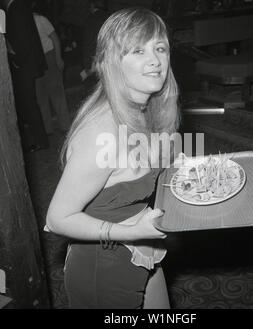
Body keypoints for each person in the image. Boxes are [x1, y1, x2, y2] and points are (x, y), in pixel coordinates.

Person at [46, 7, 180, 309]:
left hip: (141, 249)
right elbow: (57, 218)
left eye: (160, 48)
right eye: (137, 50)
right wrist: (131, 232)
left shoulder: (146, 111)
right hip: (102, 269)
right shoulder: (101, 131)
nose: (155, 60)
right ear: (112, 62)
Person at [3, 0, 49, 152]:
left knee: (29, 104)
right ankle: (40, 139)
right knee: (30, 104)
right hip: (27, 63)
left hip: (24, 65)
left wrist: (17, 60)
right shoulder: (18, 7)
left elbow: (22, 39)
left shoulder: (15, 8)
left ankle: (40, 141)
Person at [32, 1, 71, 135]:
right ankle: (47, 129)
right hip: (36, 61)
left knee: (56, 91)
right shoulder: (22, 24)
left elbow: (55, 38)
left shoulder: (40, 19)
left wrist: (58, 58)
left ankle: (65, 125)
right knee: (41, 96)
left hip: (49, 57)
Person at [81, 0, 108, 95]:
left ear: (92, 5)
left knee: (94, 90)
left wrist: (88, 64)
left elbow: (89, 42)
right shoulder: (108, 17)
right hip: (107, 57)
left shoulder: (91, 19)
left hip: (95, 59)